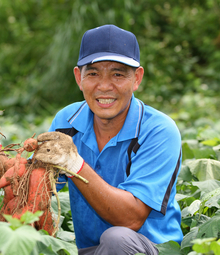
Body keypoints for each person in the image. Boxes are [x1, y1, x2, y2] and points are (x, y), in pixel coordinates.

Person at [34, 24, 183, 255]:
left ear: (137, 78)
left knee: (117, 239)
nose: (104, 86)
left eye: (118, 74)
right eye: (93, 73)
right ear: (78, 78)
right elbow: (39, 186)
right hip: (91, 250)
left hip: (148, 248)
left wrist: (75, 165)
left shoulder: (159, 131)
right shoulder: (66, 121)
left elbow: (130, 219)